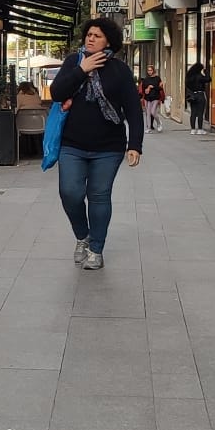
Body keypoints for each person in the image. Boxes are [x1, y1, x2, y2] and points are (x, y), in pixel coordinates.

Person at [50, 18, 143, 272]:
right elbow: (56, 92)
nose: (90, 38)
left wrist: (135, 144)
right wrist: (82, 69)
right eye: (89, 34)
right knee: (70, 192)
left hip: (108, 147)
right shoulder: (73, 62)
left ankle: (96, 249)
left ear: (109, 42)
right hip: (72, 144)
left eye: (97, 36)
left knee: (99, 195)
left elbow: (133, 110)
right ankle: (83, 236)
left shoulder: (120, 71)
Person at [185, 59, 212, 135]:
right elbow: (208, 79)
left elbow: (187, 86)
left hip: (192, 95)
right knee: (200, 113)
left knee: (193, 113)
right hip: (200, 95)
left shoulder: (189, 77)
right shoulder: (199, 76)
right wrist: (206, 72)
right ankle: (200, 129)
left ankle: (193, 129)